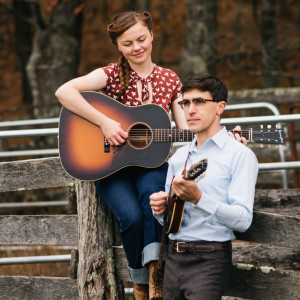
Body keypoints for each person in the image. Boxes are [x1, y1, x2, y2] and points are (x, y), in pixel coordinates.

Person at [55, 11, 188, 300]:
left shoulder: (170, 79)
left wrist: (221, 136)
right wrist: (104, 121)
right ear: (118, 46)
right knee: (130, 218)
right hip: (109, 165)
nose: (136, 47)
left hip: (151, 163)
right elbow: (64, 91)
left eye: (141, 39)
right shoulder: (110, 75)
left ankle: (156, 278)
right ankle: (139, 281)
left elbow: (187, 129)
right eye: (128, 43)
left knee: (153, 206)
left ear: (152, 35)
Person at [150, 74, 258, 300]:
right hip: (173, 258)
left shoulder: (239, 155)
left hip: (209, 260)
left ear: (220, 107)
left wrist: (199, 198)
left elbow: (243, 219)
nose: (189, 110)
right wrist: (160, 210)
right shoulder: (179, 157)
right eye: (185, 103)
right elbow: (170, 223)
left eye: (199, 102)